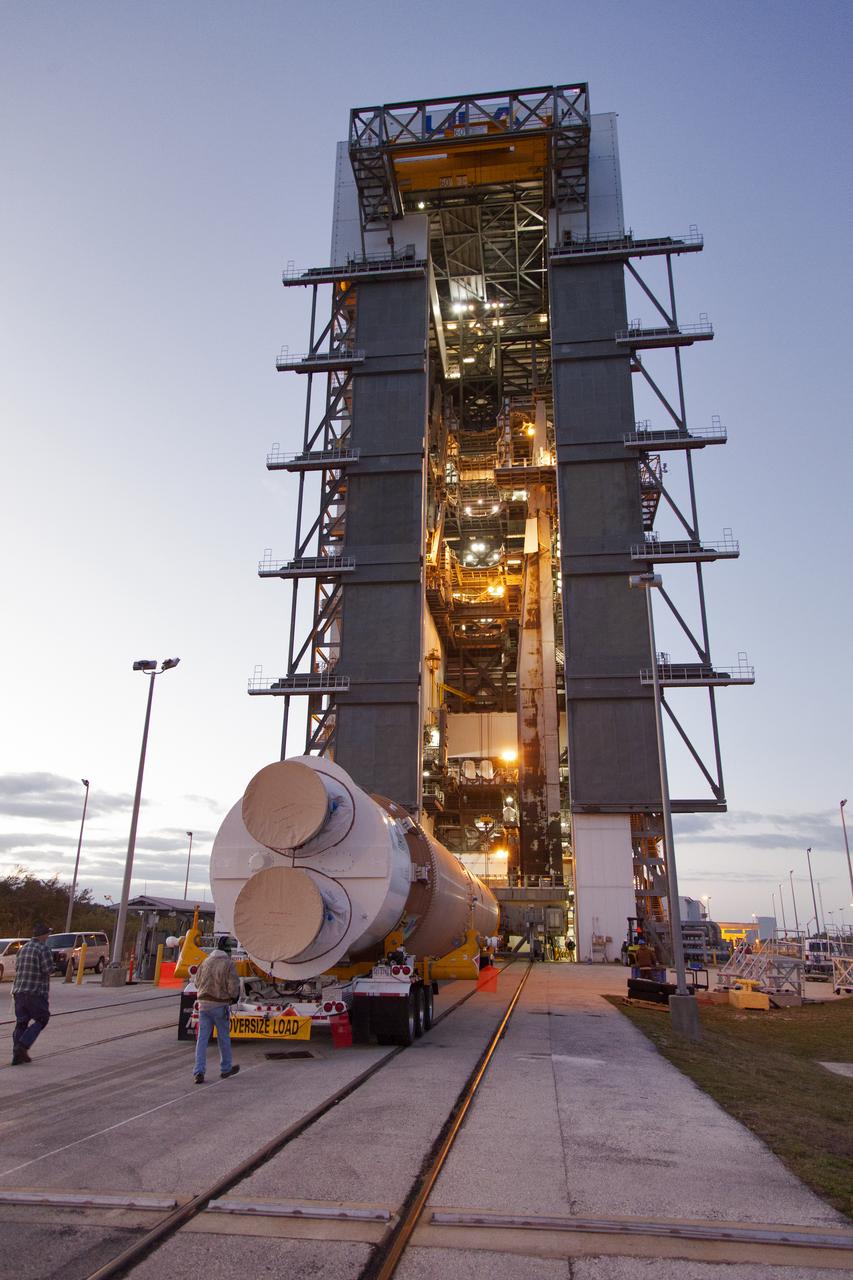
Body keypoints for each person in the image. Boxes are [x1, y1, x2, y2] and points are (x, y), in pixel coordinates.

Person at [193, 936, 240, 1084]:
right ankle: (225, 1069)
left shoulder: (205, 962)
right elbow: (233, 986)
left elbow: (196, 982)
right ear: (228, 951)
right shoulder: (228, 964)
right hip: (219, 1005)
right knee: (223, 1038)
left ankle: (199, 1071)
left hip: (203, 1005)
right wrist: (233, 997)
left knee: (202, 1040)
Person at [11, 922, 54, 1065]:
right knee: (42, 1018)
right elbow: (47, 969)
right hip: (35, 991)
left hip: (19, 991)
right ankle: (22, 1046)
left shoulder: (23, 948)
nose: (48, 936)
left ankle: (17, 1054)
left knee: (21, 1022)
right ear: (44, 935)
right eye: (48, 933)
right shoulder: (43, 948)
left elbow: (18, 968)